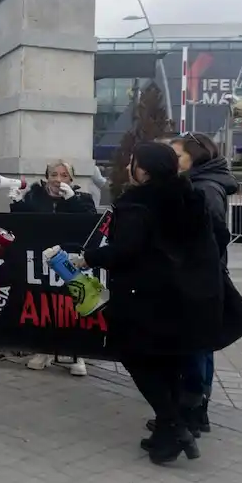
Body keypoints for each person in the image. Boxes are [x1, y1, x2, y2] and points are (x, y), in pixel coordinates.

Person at [78, 142, 228, 465]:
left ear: (142, 169)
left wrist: (87, 259)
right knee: (168, 362)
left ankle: (172, 423)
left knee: (137, 358)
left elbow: (126, 250)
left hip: (147, 298)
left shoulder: (138, 203)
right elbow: (217, 236)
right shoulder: (191, 196)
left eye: (133, 163)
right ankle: (166, 431)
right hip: (187, 298)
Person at [152, 132, 236, 434]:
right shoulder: (197, 185)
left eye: (178, 156)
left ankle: (193, 412)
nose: (173, 162)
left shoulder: (205, 189)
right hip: (198, 277)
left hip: (199, 280)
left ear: (195, 157)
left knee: (197, 347)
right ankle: (193, 410)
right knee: (198, 346)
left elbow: (214, 236)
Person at [9, 160, 97, 375]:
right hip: (42, 259)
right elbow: (24, 223)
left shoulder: (83, 198)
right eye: (53, 174)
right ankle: (44, 350)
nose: (58, 180)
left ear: (71, 179)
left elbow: (91, 223)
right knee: (43, 304)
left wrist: (72, 201)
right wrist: (16, 203)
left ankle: (78, 354)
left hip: (72, 261)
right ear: (46, 177)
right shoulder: (36, 196)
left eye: (64, 175)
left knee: (74, 304)